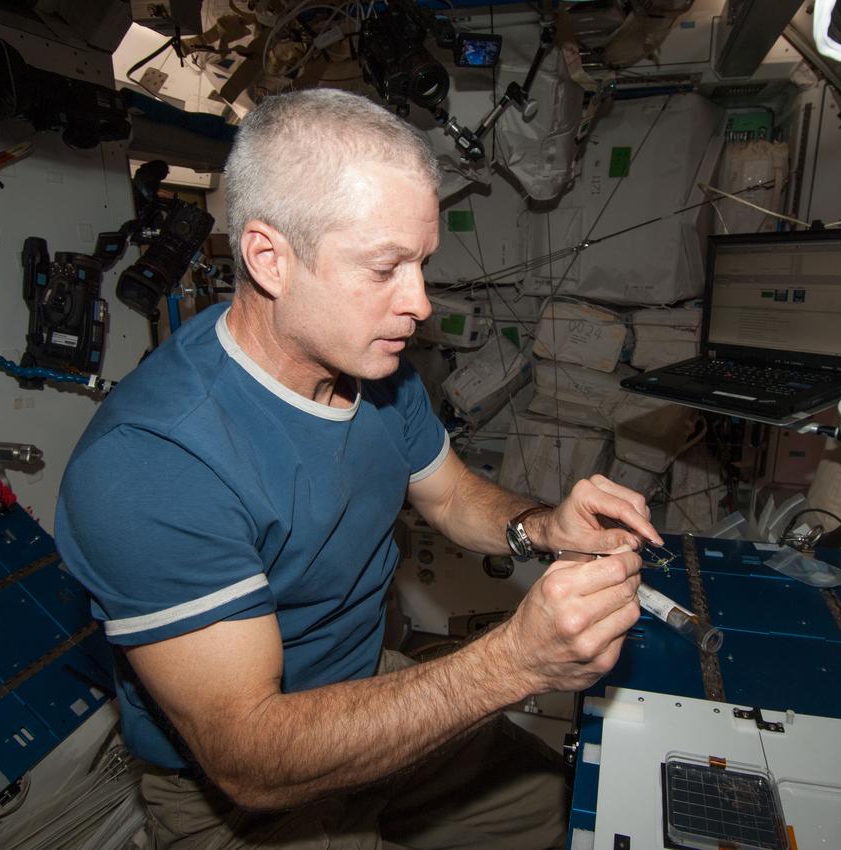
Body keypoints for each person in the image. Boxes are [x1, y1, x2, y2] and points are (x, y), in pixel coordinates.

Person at [55, 87, 662, 849]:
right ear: (269, 258)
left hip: (367, 681)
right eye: (385, 268)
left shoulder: (377, 368)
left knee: (557, 806)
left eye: (422, 264)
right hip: (246, 793)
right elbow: (251, 757)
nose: (420, 303)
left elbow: (449, 497)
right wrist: (513, 663)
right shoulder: (152, 463)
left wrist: (541, 526)